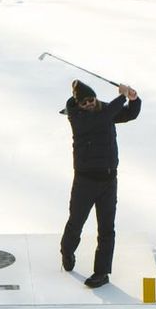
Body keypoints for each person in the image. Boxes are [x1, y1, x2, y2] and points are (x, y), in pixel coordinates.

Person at [59, 78, 141, 289]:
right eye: (84, 102)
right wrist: (121, 95)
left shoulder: (104, 110)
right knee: (76, 221)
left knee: (106, 228)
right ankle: (67, 251)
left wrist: (133, 100)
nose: (89, 104)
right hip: (85, 181)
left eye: (92, 99)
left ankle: (102, 272)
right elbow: (104, 117)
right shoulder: (78, 118)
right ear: (78, 105)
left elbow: (129, 114)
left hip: (108, 180)